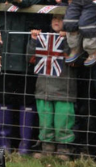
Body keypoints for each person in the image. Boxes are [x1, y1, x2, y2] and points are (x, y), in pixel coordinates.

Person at [0, 0, 48, 155]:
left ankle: (25, 145)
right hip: (4, 33)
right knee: (3, 91)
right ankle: (4, 143)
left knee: (27, 91)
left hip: (29, 35)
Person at [27, 13, 78, 159]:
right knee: (45, 121)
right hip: (43, 88)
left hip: (64, 89)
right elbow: (30, 59)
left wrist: (67, 39)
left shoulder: (73, 38)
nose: (57, 21)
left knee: (63, 121)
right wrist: (33, 41)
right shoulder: (44, 39)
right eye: (54, 18)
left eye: (61, 18)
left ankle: (64, 149)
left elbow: (74, 60)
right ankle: (46, 149)